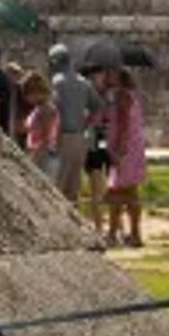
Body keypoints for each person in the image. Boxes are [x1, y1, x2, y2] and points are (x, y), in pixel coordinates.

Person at [48, 45, 105, 224]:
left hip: (61, 136)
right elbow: (97, 107)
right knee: (74, 186)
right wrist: (85, 123)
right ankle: (73, 225)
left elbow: (53, 110)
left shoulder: (56, 81)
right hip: (80, 137)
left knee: (57, 184)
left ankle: (58, 224)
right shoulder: (83, 82)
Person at [97, 65, 148, 248]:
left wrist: (118, 149)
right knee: (127, 191)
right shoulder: (123, 95)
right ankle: (130, 233)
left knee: (118, 192)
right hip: (131, 148)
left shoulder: (121, 96)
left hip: (124, 149)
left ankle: (115, 233)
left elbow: (124, 124)